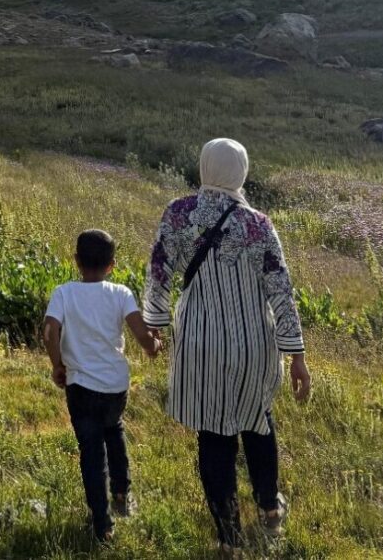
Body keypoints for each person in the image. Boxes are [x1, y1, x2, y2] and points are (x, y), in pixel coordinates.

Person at [142, 138, 312, 556]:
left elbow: (159, 274)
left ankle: (229, 538)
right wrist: (297, 357)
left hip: (201, 345)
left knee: (214, 437)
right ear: (241, 170)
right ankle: (270, 510)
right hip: (255, 345)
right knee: (258, 423)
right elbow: (281, 290)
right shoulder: (258, 224)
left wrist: (154, 327)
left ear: (204, 167)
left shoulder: (179, 213)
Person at [43, 230, 162, 543]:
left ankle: (102, 523)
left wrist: (57, 364)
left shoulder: (63, 293)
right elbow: (141, 334)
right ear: (112, 265)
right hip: (114, 386)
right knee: (115, 431)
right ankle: (122, 495)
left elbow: (49, 331)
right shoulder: (121, 293)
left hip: (79, 385)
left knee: (91, 452)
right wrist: (154, 346)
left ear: (76, 262)